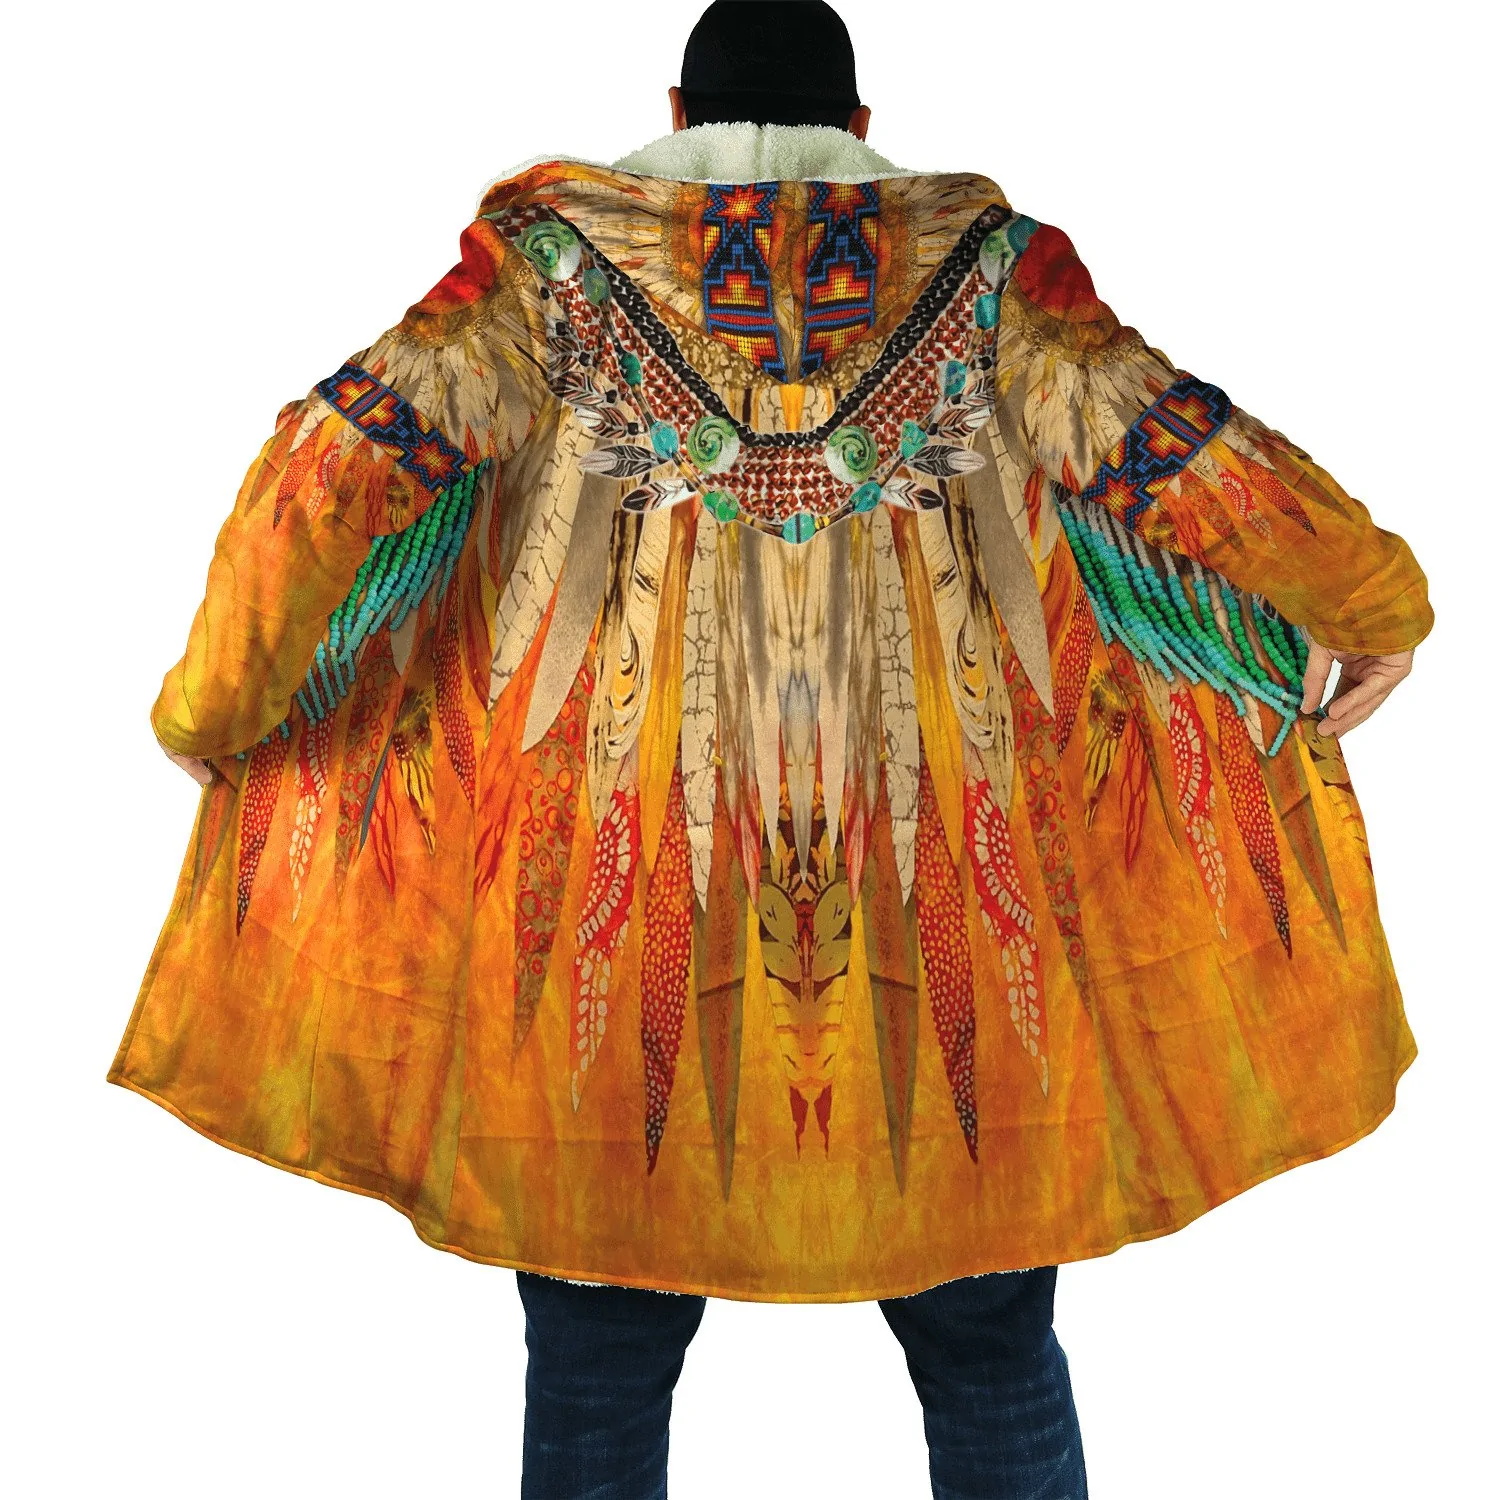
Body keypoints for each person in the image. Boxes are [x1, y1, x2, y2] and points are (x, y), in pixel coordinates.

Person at [111, 2, 1434, 1496]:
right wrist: (1371, 601)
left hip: (606, 913)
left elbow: (328, 466)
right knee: (991, 1349)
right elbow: (1181, 451)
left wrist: (217, 704)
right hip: (949, 909)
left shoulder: (539, 275)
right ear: (862, 129)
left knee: (596, 1361)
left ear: (673, 110)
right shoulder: (995, 276)